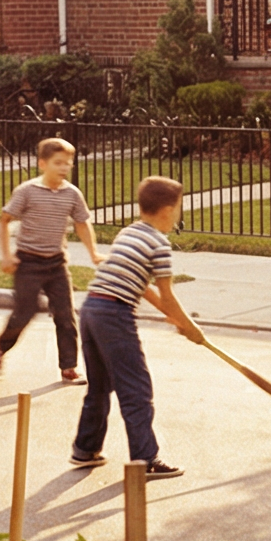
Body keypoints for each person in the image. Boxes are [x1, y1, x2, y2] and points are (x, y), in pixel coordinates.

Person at [70, 174, 200, 480]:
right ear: (167, 210)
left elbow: (141, 286)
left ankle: (85, 448)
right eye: (178, 208)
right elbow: (167, 293)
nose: (178, 214)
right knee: (136, 388)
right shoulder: (160, 243)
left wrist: (173, 316)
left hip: (91, 309)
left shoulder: (129, 233)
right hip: (114, 314)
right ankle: (146, 459)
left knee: (100, 384)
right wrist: (191, 326)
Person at [0, 136, 102, 380]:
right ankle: (2, 346)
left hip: (56, 263)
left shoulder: (72, 194)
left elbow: (83, 223)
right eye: (58, 163)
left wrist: (93, 253)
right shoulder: (27, 192)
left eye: (67, 163)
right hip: (28, 262)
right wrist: (7, 256)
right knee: (24, 313)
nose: (64, 168)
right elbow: (5, 221)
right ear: (42, 164)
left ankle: (69, 366)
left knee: (65, 314)